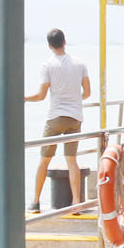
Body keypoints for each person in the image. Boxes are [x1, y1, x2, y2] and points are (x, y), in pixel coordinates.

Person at [25, 28, 90, 213]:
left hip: (55, 118)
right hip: (75, 118)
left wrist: (24, 98)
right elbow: (87, 93)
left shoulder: (47, 65)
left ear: (49, 46)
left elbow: (40, 96)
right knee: (72, 161)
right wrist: (74, 99)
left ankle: (36, 202)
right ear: (65, 42)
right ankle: (76, 203)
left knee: (44, 160)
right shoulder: (80, 64)